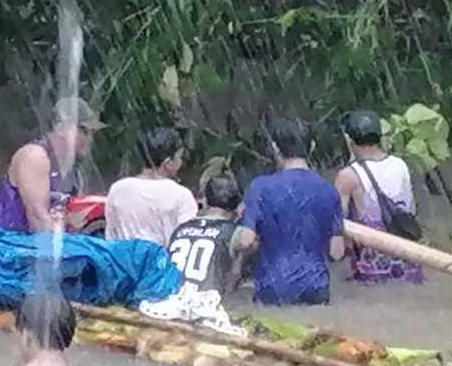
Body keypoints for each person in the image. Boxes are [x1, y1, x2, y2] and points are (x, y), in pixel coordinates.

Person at [233, 116, 344, 306]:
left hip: (272, 287)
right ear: (313, 146)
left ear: (275, 148)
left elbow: (246, 241)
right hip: (316, 287)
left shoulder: (260, 187)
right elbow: (337, 252)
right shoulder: (329, 190)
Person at [334, 110, 425, 285]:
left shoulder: (348, 176)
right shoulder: (401, 165)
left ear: (348, 140)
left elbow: (338, 228)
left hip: (372, 267)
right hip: (408, 260)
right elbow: (411, 210)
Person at [0, 97, 103, 232]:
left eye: (92, 133)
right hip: (13, 246)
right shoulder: (34, 157)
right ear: (62, 128)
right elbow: (39, 221)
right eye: (85, 131)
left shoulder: (73, 171)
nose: (90, 139)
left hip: (42, 246)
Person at [104, 126, 198, 246]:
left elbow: (111, 236)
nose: (181, 162)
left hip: (123, 262)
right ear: (167, 163)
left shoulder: (118, 189)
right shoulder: (181, 195)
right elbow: (187, 240)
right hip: (162, 263)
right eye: (179, 157)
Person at [164, 173, 244, 297]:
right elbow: (235, 274)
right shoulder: (234, 233)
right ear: (238, 205)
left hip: (170, 297)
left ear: (205, 201)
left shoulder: (180, 229)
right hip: (206, 302)